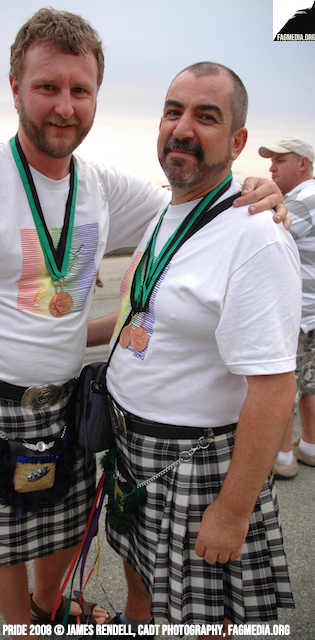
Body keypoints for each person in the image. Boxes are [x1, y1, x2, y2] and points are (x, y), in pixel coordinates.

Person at [0, 8, 286, 638]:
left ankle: (48, 607)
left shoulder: (104, 187)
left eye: (81, 90)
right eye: (47, 86)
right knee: (2, 542)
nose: (65, 106)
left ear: (97, 96)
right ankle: (21, 626)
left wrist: (259, 190)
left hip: (66, 404)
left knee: (68, 524)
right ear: (15, 88)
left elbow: (191, 201)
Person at [88, 62, 301, 640]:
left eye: (206, 117)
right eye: (173, 111)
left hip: (196, 462)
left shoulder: (255, 236)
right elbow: (143, 313)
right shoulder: (168, 211)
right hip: (131, 445)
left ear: (237, 141)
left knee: (203, 613)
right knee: (139, 575)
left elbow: (275, 388)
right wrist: (57, 335)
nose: (182, 128)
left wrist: (231, 513)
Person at [259, 137, 315, 478]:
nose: (271, 168)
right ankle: (309, 446)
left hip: (299, 313)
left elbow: (265, 238)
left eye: (280, 160)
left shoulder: (302, 201)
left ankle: (281, 459)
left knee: (282, 384)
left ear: (303, 164)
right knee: (310, 382)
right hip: (313, 313)